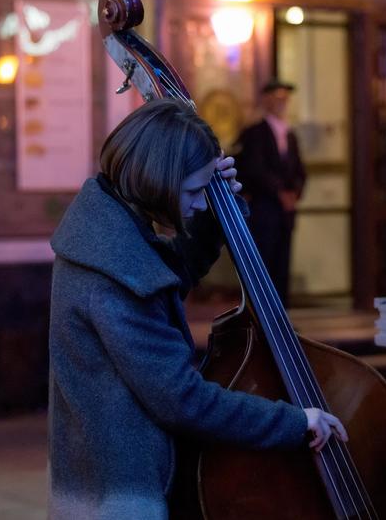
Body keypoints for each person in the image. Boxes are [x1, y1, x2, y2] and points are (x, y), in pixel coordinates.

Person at [48, 99, 346, 518]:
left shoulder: (103, 234)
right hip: (124, 496)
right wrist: (296, 422)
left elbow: (166, 273)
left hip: (97, 477)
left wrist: (218, 212)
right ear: (157, 180)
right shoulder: (116, 274)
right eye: (193, 191)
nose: (202, 203)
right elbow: (183, 400)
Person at [233, 79, 306, 306]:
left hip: (285, 212)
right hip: (265, 208)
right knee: (264, 262)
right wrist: (279, 193)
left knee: (283, 264)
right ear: (266, 100)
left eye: (285, 98)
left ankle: (282, 315)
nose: (282, 103)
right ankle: (264, 315)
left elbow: (299, 169)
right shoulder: (256, 132)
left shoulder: (289, 134)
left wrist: (295, 191)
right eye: (277, 98)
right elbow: (255, 168)